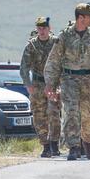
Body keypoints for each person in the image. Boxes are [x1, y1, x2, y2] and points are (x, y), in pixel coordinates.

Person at [44, 3, 90, 161]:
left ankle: (87, 141)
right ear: (81, 18)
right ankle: (73, 147)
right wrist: (50, 84)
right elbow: (54, 61)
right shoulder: (65, 36)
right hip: (69, 79)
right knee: (71, 112)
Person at [20, 17, 61, 158]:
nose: (42, 31)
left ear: (50, 28)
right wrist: (28, 84)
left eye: (44, 28)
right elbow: (24, 67)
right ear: (37, 29)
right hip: (37, 84)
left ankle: (55, 143)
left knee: (54, 113)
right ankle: (45, 145)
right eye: (39, 28)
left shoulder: (56, 43)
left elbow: (62, 63)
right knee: (39, 115)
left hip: (53, 84)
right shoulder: (31, 46)